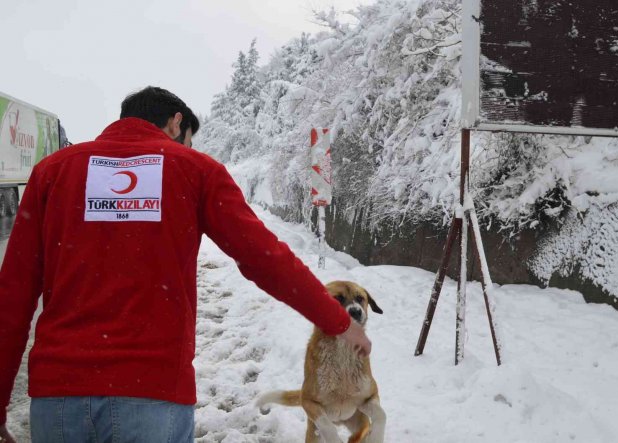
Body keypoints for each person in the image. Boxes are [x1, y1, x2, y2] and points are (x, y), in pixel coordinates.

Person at [0, 86, 371, 443]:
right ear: (176, 123)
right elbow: (266, 258)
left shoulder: (53, 171)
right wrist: (338, 322)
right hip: (153, 394)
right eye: (188, 137)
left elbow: (12, 295)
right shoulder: (193, 168)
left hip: (59, 400)